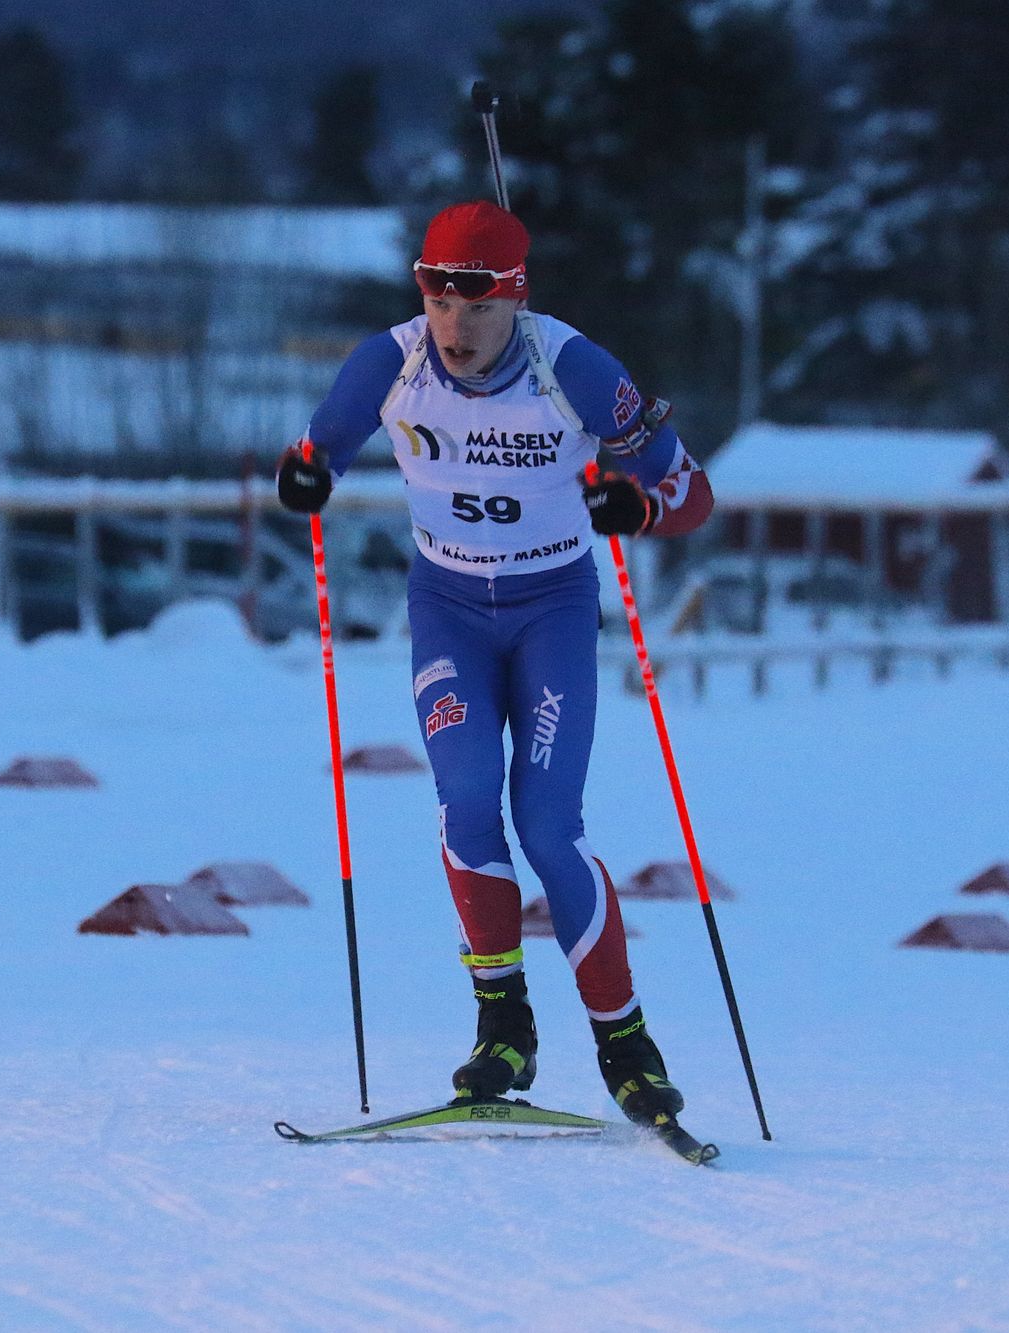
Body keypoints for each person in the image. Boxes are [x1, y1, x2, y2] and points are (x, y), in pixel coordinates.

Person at [276, 200, 715, 1132]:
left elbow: (691, 496)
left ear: (516, 297)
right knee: (467, 797)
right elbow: (317, 452)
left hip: (552, 609)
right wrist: (306, 476)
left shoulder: (577, 371)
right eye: (438, 295)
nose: (456, 324)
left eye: (478, 302)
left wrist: (639, 510)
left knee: (550, 825)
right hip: (448, 614)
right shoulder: (386, 363)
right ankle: (503, 1023)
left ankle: (627, 1044)